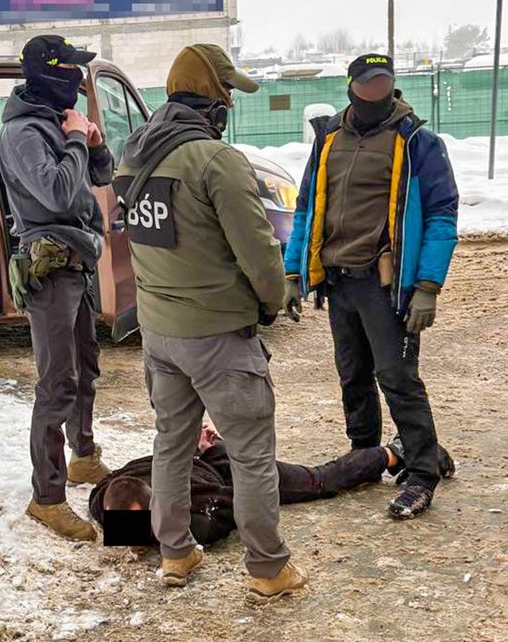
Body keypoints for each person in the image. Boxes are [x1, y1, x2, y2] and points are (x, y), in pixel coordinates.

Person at [113, 44, 306, 604]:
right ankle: (268, 569)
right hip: (219, 334)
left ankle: (175, 552)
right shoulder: (216, 161)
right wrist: (272, 301)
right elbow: (260, 255)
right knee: (250, 454)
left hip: (159, 333)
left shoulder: (135, 153)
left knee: (172, 445)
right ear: (215, 101)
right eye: (228, 95)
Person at [283, 53, 459, 520]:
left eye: (384, 81)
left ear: (393, 85)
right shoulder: (329, 139)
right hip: (338, 282)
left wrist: (428, 285)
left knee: (398, 379)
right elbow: (305, 209)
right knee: (353, 377)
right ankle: (365, 455)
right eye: (367, 82)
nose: (375, 90)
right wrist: (293, 271)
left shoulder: (418, 141)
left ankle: (422, 473)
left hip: (386, 286)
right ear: (351, 87)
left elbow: (442, 215)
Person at [0, 35, 114, 542]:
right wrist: (71, 139)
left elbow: (100, 175)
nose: (81, 79)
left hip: (78, 261)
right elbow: (59, 193)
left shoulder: (55, 124)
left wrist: (93, 143)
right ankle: (46, 497)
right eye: (73, 69)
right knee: (55, 385)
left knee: (86, 367)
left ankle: (83, 457)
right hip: (49, 270)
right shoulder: (24, 132)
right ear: (51, 73)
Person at [90, 421, 409, 550]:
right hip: (184, 462)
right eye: (123, 530)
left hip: (225, 471)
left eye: (138, 529)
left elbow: (240, 502)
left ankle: (396, 453)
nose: (130, 542)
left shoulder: (199, 519)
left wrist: (212, 450)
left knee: (319, 481)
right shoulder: (104, 501)